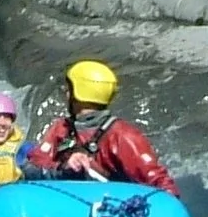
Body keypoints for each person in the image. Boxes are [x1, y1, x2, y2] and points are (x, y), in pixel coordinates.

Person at [22, 60, 178, 195]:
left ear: (79, 94)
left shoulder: (122, 136)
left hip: (111, 214)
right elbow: (31, 170)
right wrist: (64, 168)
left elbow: (161, 185)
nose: (66, 94)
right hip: (67, 209)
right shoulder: (61, 128)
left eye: (69, 90)